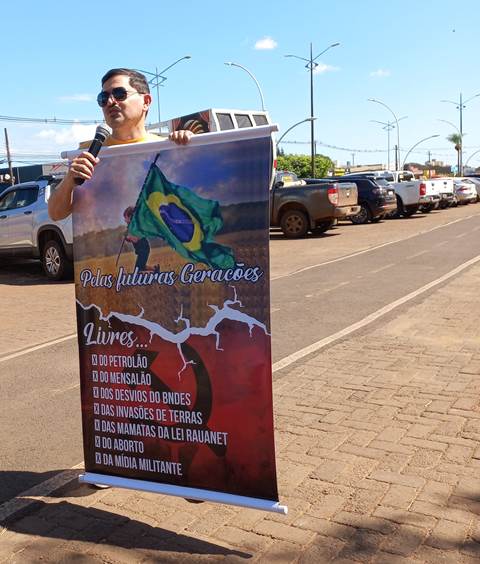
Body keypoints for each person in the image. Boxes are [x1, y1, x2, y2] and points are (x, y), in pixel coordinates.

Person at [48, 68, 192, 221]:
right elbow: (56, 214)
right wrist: (70, 180)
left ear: (146, 101)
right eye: (103, 98)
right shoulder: (87, 153)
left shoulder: (167, 148)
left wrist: (191, 145)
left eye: (119, 94)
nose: (110, 102)